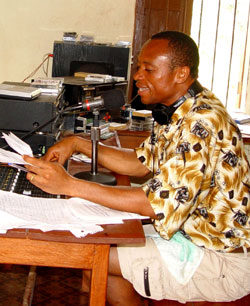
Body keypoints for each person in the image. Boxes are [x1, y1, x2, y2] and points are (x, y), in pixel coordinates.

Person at [23, 31, 250, 305]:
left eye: (149, 69)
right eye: (138, 67)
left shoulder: (200, 122)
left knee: (93, 258)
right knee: (98, 249)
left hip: (220, 258)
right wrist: (78, 143)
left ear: (181, 74)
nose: (138, 76)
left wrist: (70, 185)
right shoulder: (181, 109)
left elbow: (154, 205)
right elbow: (141, 164)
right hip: (191, 235)